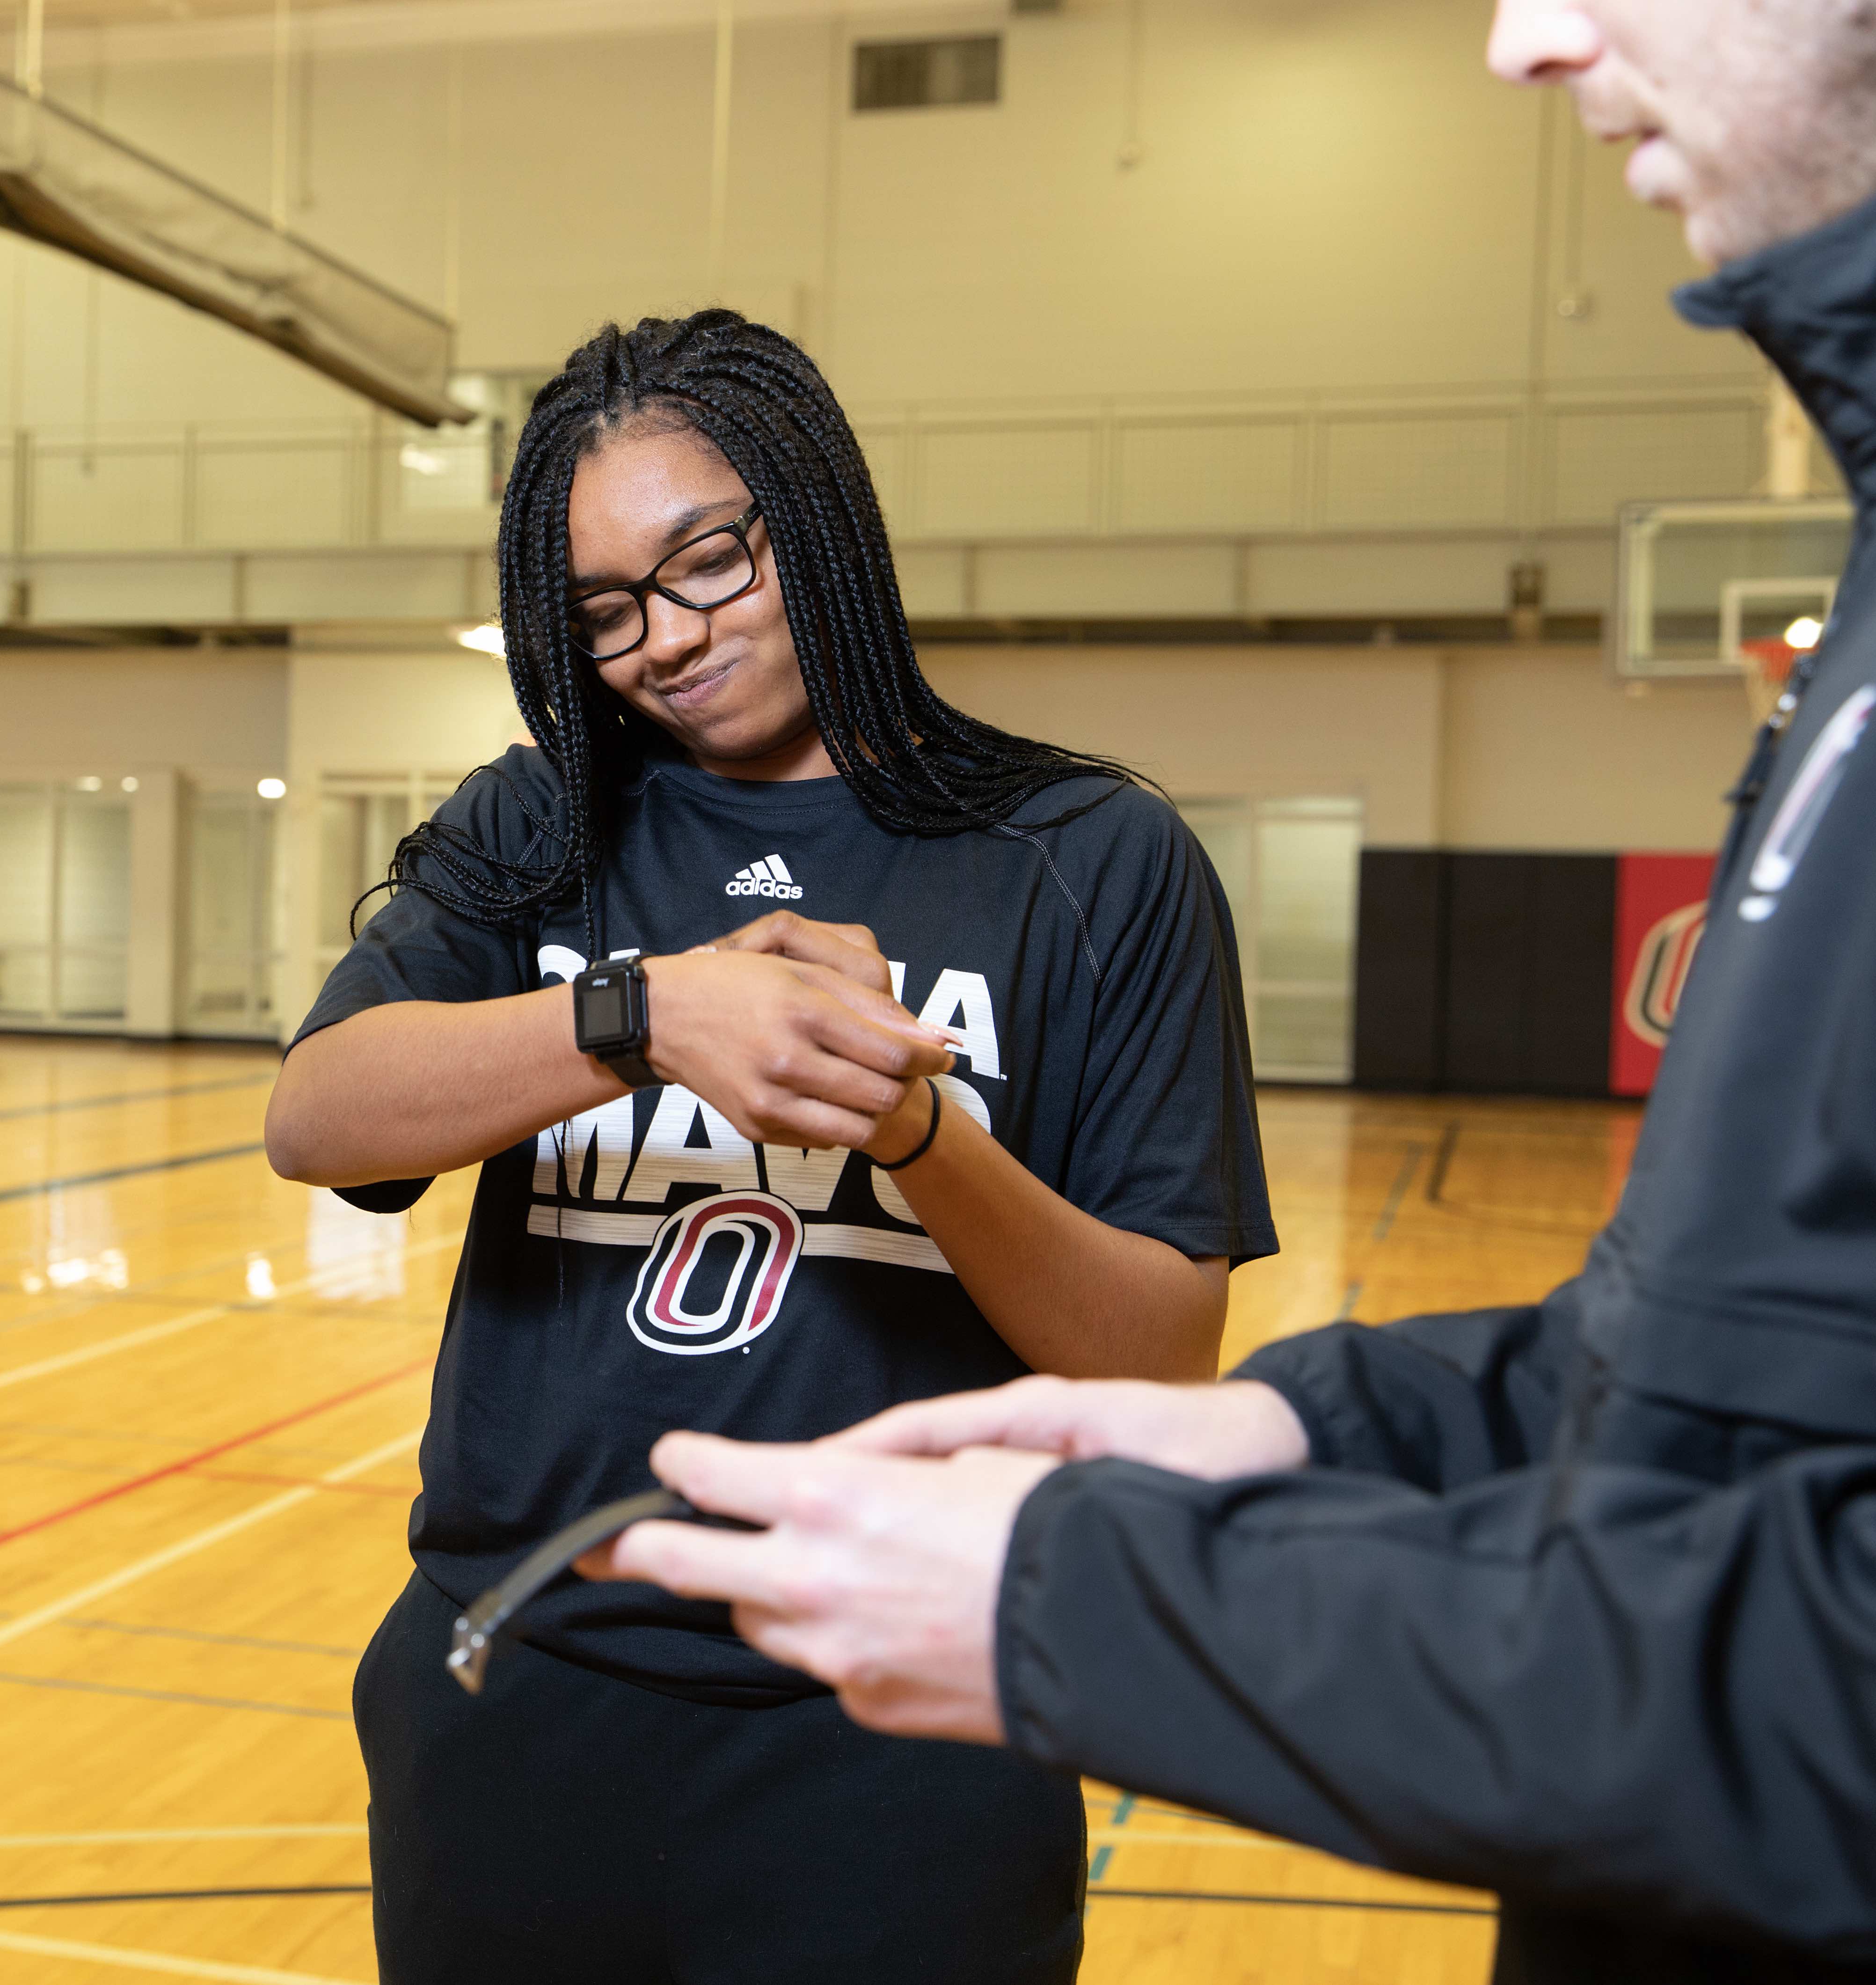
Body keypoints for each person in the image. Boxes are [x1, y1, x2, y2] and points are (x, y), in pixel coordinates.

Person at [598, 4, 1876, 1981]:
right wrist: (1294, 1432)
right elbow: (1712, 1376)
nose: (1523, 37)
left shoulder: (1090, 856)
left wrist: (1078, 1599)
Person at [267, 310, 1275, 1984]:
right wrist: (636, 1014)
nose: (665, 636)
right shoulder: (540, 825)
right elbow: (319, 1113)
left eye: (709, 561)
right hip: (521, 1696)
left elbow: (1159, 1357)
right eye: (602, 608)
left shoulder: (1090, 858)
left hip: (908, 1717)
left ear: (815, 516)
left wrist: (911, 1128)